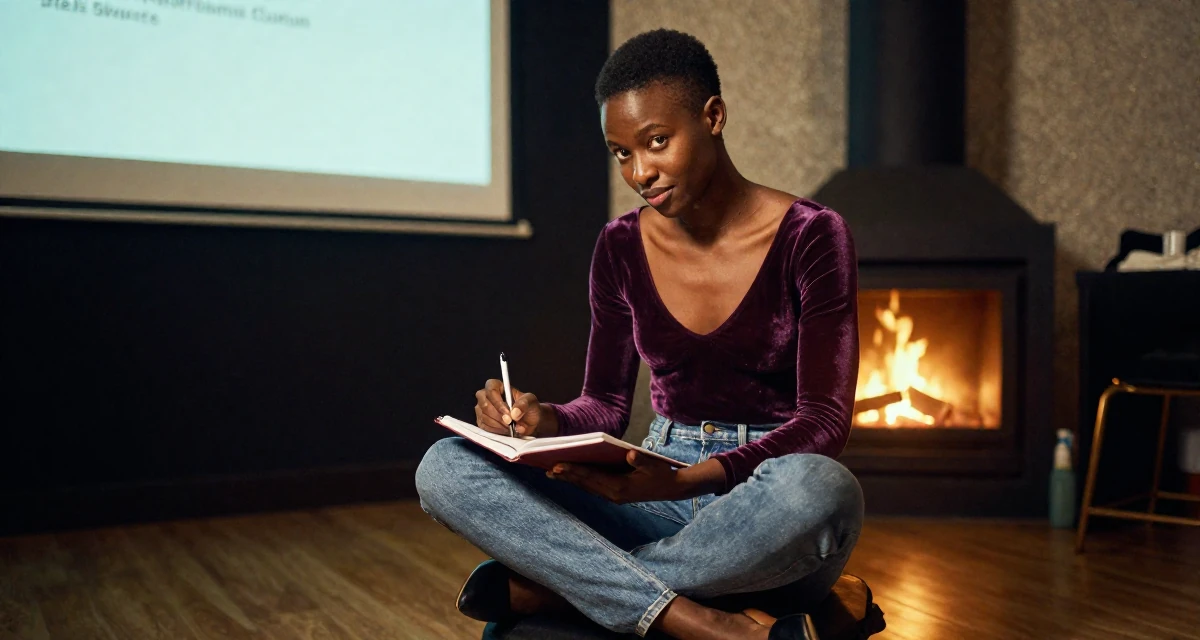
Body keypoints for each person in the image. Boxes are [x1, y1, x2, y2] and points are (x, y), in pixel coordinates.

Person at [416, 29, 880, 640]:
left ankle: (557, 593)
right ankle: (693, 618)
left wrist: (695, 479)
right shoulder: (619, 246)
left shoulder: (812, 235)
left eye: (657, 142)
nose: (641, 172)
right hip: (647, 489)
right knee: (444, 467)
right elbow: (604, 405)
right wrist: (541, 421)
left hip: (759, 508)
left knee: (822, 489)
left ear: (713, 116)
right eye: (622, 153)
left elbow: (823, 422)